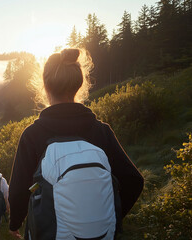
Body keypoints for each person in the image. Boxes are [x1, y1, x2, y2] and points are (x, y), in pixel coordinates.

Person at [8, 48, 144, 239]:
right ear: (79, 86)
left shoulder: (33, 135)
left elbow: (18, 191)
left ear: (45, 86)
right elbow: (134, 181)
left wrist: (15, 223)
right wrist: (111, 216)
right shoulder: (100, 131)